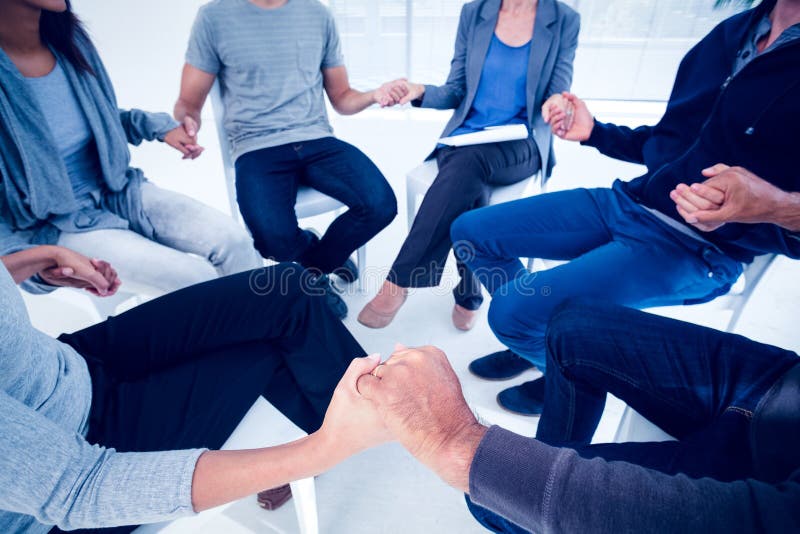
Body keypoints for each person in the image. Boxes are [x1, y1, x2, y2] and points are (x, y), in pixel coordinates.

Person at [450, 0, 800, 414]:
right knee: (472, 232)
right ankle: (548, 339)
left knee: (509, 315)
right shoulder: (734, 33)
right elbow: (672, 141)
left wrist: (775, 205)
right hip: (630, 202)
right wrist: (596, 133)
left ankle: (561, 367)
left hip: (697, 249)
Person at [0, 244, 391, 534]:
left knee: (285, 289)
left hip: (69, 364)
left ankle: (382, 406)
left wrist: (39, 259)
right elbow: (78, 488)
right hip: (75, 463)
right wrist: (319, 452)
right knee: (274, 352)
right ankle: (386, 417)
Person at [354, 300, 800, 533]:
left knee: (489, 494)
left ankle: (543, 489)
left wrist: (458, 442)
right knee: (570, 325)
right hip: (784, 386)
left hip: (768, 485)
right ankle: (553, 458)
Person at [0, 0, 262, 298]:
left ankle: (277, 330)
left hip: (119, 190)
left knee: (235, 241)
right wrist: (35, 264)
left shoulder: (70, 41)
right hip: (55, 224)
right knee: (195, 277)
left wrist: (158, 127)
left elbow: (102, 120)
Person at [358, 0, 580, 332]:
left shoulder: (563, 19)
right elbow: (456, 90)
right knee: (468, 176)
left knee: (468, 166)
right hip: (465, 138)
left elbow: (556, 90)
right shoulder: (475, 13)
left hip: (522, 142)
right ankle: (468, 292)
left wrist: (558, 105)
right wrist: (419, 91)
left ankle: (398, 282)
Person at [175, 0, 401, 317]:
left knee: (380, 205)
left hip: (316, 139)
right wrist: (187, 124)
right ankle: (318, 253)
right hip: (256, 146)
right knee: (271, 241)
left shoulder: (318, 14)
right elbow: (188, 101)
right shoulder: (214, 17)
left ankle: (312, 273)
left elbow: (342, 98)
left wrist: (373, 96)